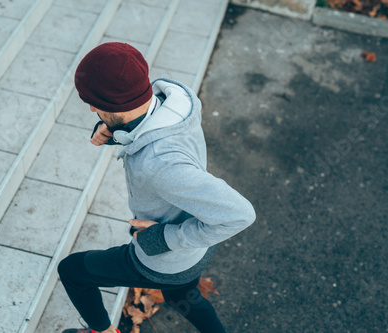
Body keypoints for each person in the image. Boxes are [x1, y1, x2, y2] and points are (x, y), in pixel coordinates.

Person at [58, 42, 256, 333]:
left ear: (111, 105)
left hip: (164, 258)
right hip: (194, 253)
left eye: (94, 103)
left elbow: (241, 215)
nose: (90, 108)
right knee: (184, 296)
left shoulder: (161, 164)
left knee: (73, 271)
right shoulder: (175, 104)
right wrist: (116, 131)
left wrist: (163, 238)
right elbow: (145, 128)